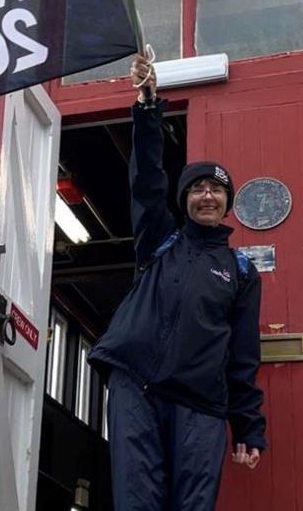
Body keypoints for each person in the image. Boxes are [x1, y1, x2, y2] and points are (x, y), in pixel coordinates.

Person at [88, 53, 267, 511]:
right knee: (138, 502)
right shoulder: (159, 241)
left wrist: (247, 425)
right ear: (184, 199)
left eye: (216, 188)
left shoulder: (241, 271)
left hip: (202, 405)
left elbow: (244, 355)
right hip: (137, 388)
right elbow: (147, 181)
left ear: (227, 202)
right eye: (196, 188)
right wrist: (148, 106)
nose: (206, 194)